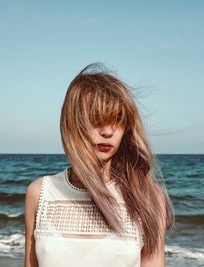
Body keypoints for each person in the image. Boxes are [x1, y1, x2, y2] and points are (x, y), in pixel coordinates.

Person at [24, 63, 175, 267]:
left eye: (118, 120)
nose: (108, 131)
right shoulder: (41, 193)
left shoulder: (149, 197)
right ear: (72, 124)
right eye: (97, 119)